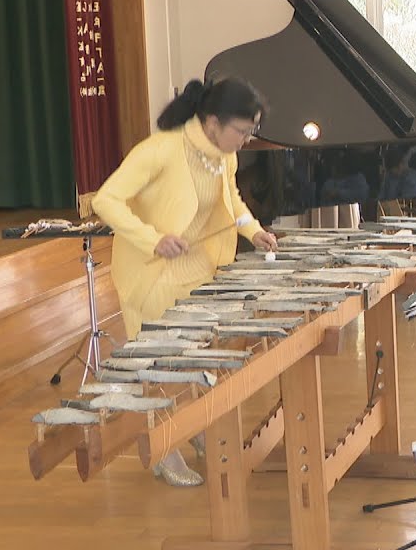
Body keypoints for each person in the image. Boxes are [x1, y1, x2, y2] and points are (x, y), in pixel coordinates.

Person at [93, 78, 278, 487]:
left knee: (196, 359)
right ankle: (163, 447)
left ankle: (189, 426)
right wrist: (153, 239)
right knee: (162, 365)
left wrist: (254, 232)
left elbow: (232, 201)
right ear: (213, 122)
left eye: (251, 132)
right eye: (242, 131)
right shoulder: (159, 150)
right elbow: (104, 200)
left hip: (199, 267)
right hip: (153, 272)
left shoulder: (223, 155)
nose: (247, 140)